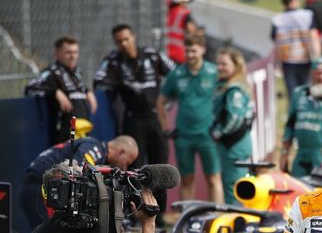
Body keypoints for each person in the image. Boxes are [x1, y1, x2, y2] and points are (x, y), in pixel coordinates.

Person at [94, 24, 176, 168]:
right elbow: (98, 81)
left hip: (156, 117)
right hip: (133, 120)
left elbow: (176, 74)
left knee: (161, 165)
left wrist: (165, 100)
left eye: (126, 39)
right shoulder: (114, 60)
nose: (124, 44)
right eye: (119, 41)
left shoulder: (152, 54)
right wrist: (119, 82)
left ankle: (158, 192)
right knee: (134, 165)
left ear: (133, 37)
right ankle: (137, 191)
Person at [157, 33, 223, 203]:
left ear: (202, 50)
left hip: (208, 135)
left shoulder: (214, 72)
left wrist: (222, 125)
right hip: (184, 136)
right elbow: (161, 101)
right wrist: (165, 127)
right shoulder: (177, 74)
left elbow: (228, 94)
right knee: (186, 179)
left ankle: (217, 219)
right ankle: (187, 219)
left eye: (193, 51)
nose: (190, 55)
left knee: (213, 179)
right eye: (187, 51)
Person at [20, 136, 138, 230]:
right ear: (121, 152)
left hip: (36, 188)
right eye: (127, 161)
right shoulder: (95, 150)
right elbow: (78, 173)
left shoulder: (93, 146)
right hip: (39, 189)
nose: (125, 166)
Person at [25, 36, 98, 145]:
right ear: (57, 54)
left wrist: (88, 91)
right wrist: (55, 92)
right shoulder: (51, 73)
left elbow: (79, 90)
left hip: (82, 131)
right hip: (63, 136)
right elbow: (30, 88)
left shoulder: (77, 74)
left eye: (75, 52)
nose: (73, 56)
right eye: (68, 52)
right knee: (68, 161)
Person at [211, 47, 255, 204]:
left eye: (224, 64)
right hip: (236, 144)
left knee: (234, 187)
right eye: (218, 64)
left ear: (235, 65)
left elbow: (235, 118)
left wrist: (218, 133)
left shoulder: (234, 89)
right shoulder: (231, 84)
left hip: (234, 145)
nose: (219, 67)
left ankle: (239, 223)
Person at [271, 0, 321, 99]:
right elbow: (314, 38)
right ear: (294, 0)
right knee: (307, 92)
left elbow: (276, 44)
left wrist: (277, 64)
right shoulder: (307, 15)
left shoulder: (277, 19)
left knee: (292, 94)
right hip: (305, 59)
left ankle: (293, 114)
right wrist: (318, 59)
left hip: (287, 61)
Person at [166, 0, 198, 64]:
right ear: (181, 2)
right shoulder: (184, 13)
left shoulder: (167, 12)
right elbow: (191, 30)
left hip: (166, 51)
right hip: (179, 54)